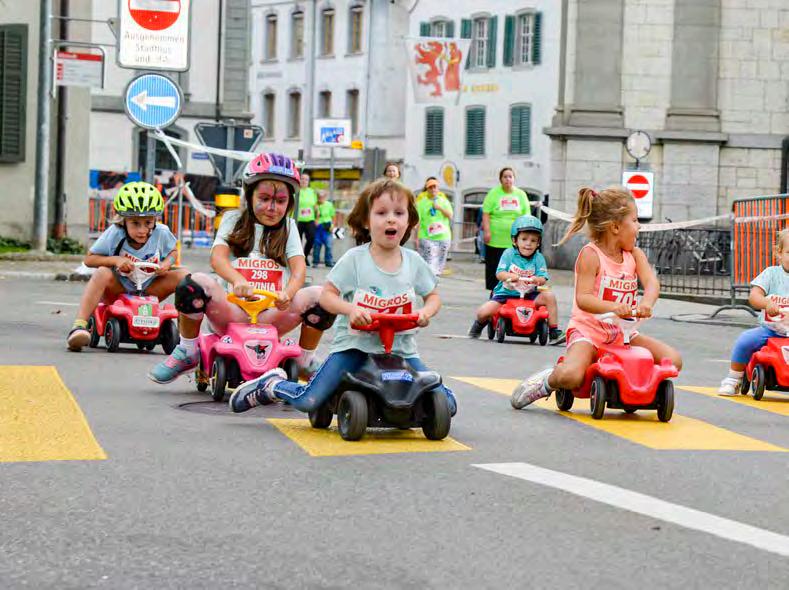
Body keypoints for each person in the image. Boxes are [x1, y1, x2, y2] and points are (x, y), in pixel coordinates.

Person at [227, 177, 457, 417]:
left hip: (403, 351)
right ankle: (273, 385)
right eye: (381, 213)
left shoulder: (413, 262)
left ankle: (435, 393)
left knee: (447, 405)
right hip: (354, 348)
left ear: (409, 221)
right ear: (366, 221)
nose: (391, 219)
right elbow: (327, 297)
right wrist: (350, 310)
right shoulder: (355, 260)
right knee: (309, 400)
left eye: (399, 213)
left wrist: (425, 312)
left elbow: (433, 296)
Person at [148, 153, 334, 384]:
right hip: (232, 312)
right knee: (193, 283)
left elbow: (299, 270)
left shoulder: (289, 227)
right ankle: (188, 350)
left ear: (289, 203)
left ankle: (305, 360)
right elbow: (218, 259)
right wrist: (237, 280)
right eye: (264, 198)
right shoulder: (232, 219)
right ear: (249, 194)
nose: (272, 207)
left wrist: (288, 293)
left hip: (272, 314)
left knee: (322, 297)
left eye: (280, 201)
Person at [511, 186, 682, 409]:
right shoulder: (591, 255)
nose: (639, 226)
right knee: (571, 376)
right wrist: (614, 307)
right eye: (634, 220)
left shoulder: (635, 255)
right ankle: (546, 381)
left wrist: (646, 303)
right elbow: (583, 298)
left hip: (623, 333)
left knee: (673, 360)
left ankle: (638, 387)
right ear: (615, 227)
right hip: (589, 332)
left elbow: (651, 283)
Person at [67, 182, 187, 351]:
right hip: (119, 290)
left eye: (148, 222)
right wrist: (116, 260)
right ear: (123, 221)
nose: (142, 230)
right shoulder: (115, 233)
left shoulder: (161, 232)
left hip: (149, 289)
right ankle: (79, 327)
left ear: (155, 219)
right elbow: (89, 259)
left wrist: (166, 264)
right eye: (135, 223)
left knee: (185, 277)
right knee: (102, 273)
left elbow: (173, 251)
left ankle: (186, 336)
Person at [468, 215, 565, 345]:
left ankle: (554, 332)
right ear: (515, 240)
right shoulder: (509, 254)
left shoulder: (539, 258)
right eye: (524, 239)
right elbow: (499, 273)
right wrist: (510, 276)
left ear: (538, 243)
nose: (528, 243)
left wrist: (537, 279)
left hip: (530, 294)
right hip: (506, 294)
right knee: (483, 312)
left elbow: (543, 277)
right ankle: (479, 325)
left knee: (550, 296)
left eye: (533, 240)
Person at [718, 229, 789, 395]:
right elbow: (754, 296)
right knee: (746, 340)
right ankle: (734, 378)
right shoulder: (771, 274)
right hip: (772, 330)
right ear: (778, 253)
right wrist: (767, 303)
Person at [481, 167, 531, 290]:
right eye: (505, 177)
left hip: (515, 239)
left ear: (514, 179)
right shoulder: (493, 193)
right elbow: (486, 213)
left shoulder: (521, 194)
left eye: (510, 176)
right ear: (500, 179)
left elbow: (526, 216)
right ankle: (494, 290)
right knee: (494, 266)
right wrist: (487, 231)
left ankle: (511, 291)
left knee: (513, 267)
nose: (508, 179)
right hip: (496, 239)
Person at [415, 177, 453, 276]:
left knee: (440, 262)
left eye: (435, 187)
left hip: (443, 237)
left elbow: (450, 215)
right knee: (430, 259)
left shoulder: (444, 201)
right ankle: (429, 279)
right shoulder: (421, 203)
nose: (433, 189)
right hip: (426, 236)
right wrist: (416, 238)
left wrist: (439, 208)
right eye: (430, 187)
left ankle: (434, 277)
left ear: (438, 188)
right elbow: (418, 221)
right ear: (427, 189)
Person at [295, 172, 317, 266]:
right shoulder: (296, 191)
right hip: (298, 220)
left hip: (310, 219)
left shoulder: (312, 192)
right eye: (302, 179)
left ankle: (305, 256)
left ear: (308, 181)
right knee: (297, 241)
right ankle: (298, 260)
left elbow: (315, 206)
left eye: (306, 179)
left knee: (312, 238)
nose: (304, 181)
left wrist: (317, 218)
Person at [312, 190, 336, 267]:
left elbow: (333, 216)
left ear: (325, 197)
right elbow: (313, 216)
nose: (321, 199)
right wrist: (316, 219)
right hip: (319, 227)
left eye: (322, 197)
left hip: (327, 226)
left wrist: (332, 225)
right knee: (317, 245)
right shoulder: (315, 205)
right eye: (319, 197)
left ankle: (328, 261)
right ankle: (315, 262)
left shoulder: (329, 205)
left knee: (328, 245)